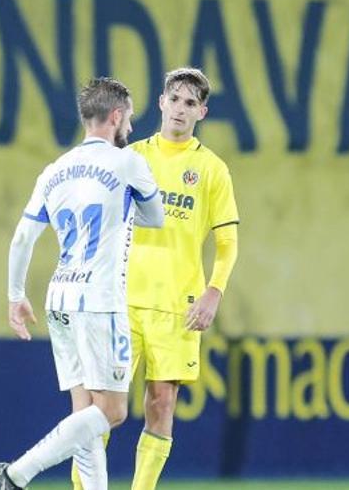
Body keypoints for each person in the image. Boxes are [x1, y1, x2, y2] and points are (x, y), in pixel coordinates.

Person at [0, 77, 164, 490]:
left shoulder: (55, 171)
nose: (132, 130)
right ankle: (16, 474)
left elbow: (22, 238)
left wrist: (16, 296)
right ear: (116, 116)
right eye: (130, 120)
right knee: (113, 412)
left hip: (59, 297)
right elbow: (155, 217)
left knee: (84, 411)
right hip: (100, 299)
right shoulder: (128, 162)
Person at [72, 67, 239, 490]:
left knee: (161, 404)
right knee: (101, 408)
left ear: (201, 112)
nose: (180, 109)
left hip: (177, 306)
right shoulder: (132, 157)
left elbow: (227, 242)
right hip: (121, 301)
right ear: (161, 103)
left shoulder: (211, 169)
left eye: (190, 103)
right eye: (174, 99)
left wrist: (214, 292)